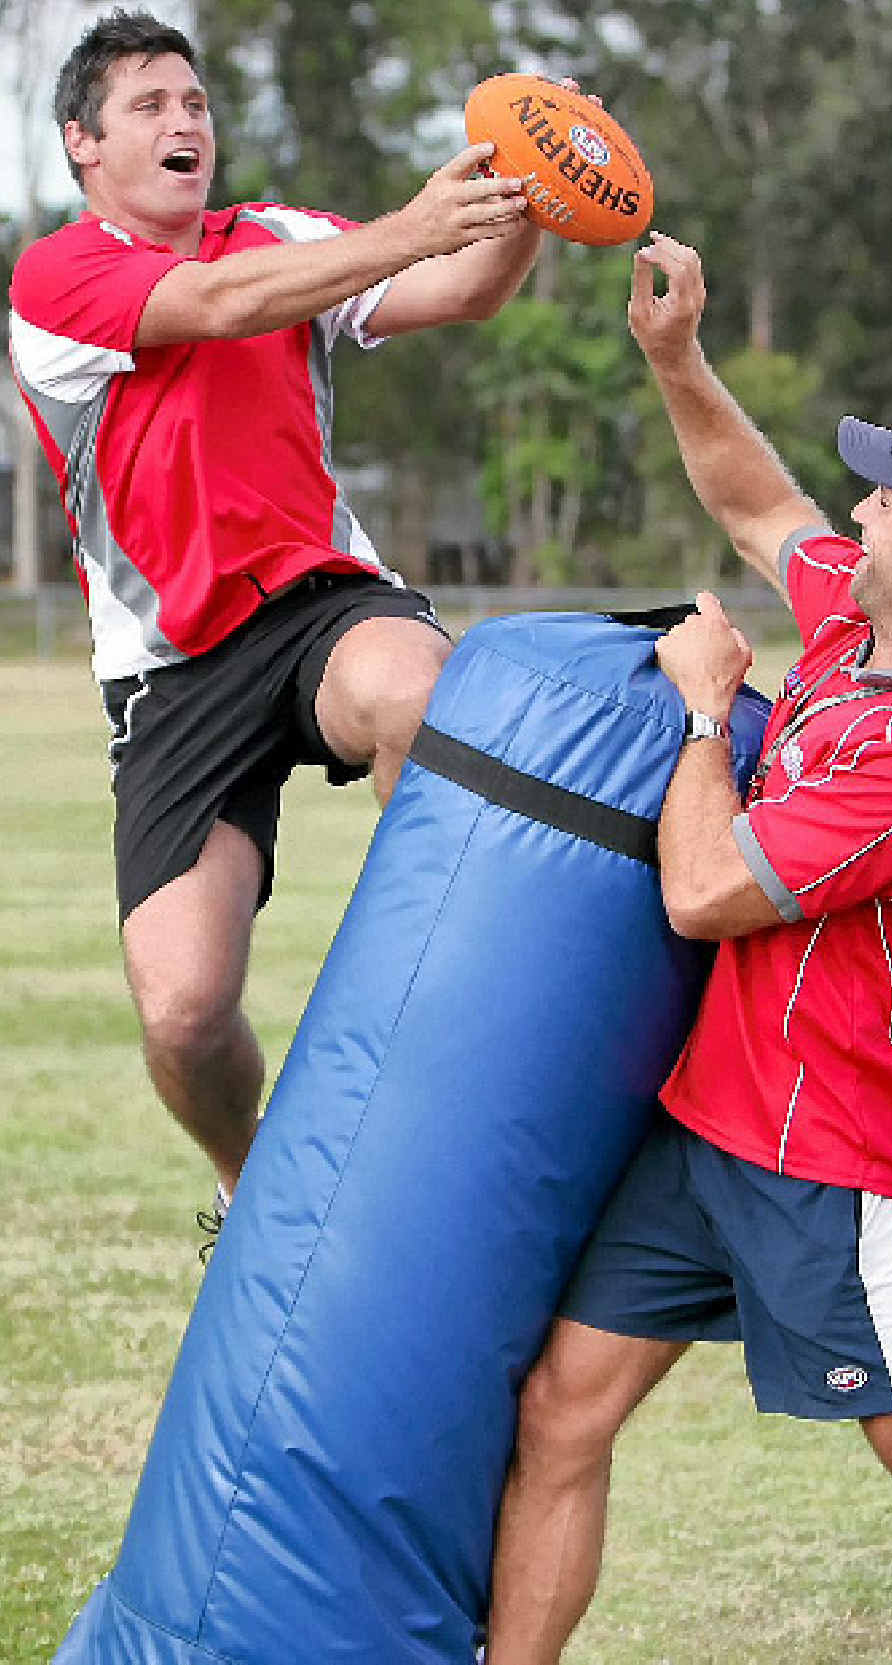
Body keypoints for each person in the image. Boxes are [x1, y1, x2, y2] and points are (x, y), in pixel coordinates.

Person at [485, 233, 892, 1660]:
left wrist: (700, 707)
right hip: (705, 1127)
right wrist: (676, 358)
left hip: (831, 1167)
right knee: (561, 1410)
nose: (857, 507)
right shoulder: (862, 624)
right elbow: (754, 500)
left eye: (888, 498)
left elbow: (707, 892)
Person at [9, 10, 544, 1243]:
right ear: (85, 147)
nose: (183, 122)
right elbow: (215, 302)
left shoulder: (285, 234)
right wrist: (405, 226)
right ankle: (253, 1183)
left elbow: (456, 290)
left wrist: (531, 198)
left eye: (192, 102)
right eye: (147, 107)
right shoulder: (60, 274)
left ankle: (431, 1044)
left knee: (419, 692)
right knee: (185, 1018)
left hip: (316, 601)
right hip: (172, 669)